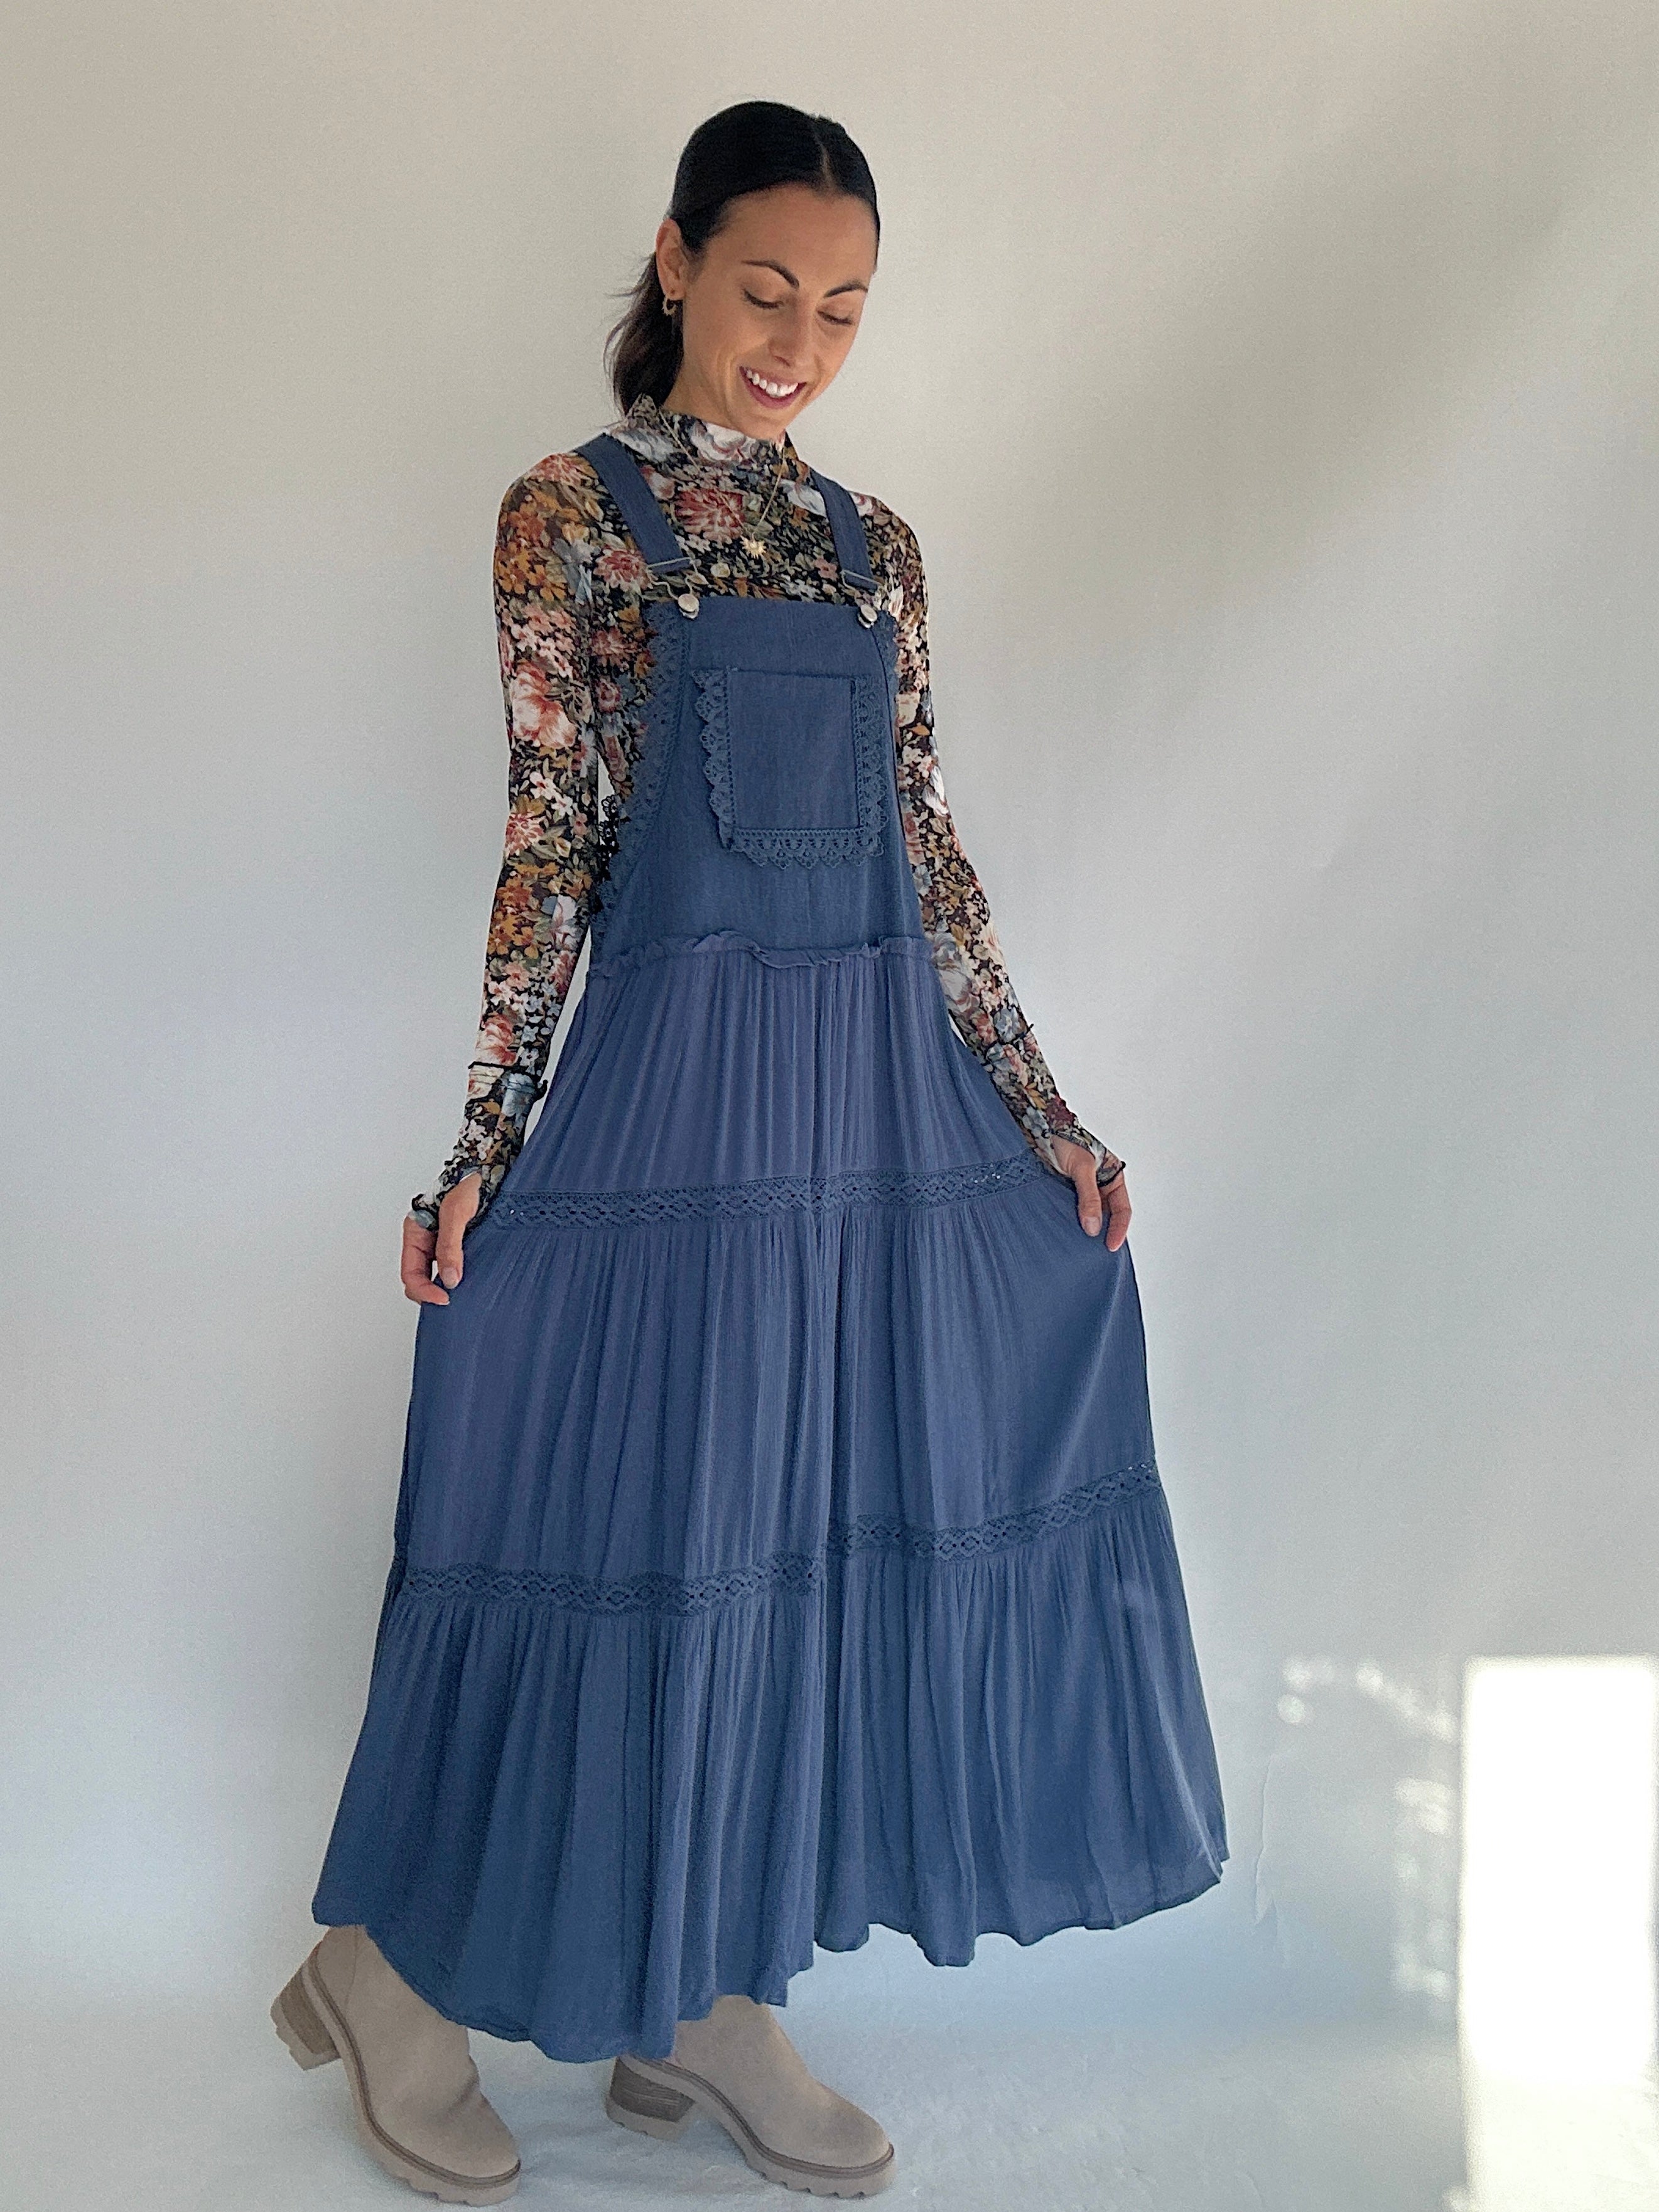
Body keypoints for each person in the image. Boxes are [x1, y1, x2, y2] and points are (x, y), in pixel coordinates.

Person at [272, 100, 1228, 2206]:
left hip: (865, 1114)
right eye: (766, 289)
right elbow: (551, 853)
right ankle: (383, 1968)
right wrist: (477, 1152)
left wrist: (1046, 1120)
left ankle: (706, 1993)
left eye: (845, 309)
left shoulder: (875, 546)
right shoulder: (571, 516)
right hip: (669, 1104)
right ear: (679, 263)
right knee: (600, 1527)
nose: (798, 340)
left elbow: (932, 858)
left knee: (801, 1538)